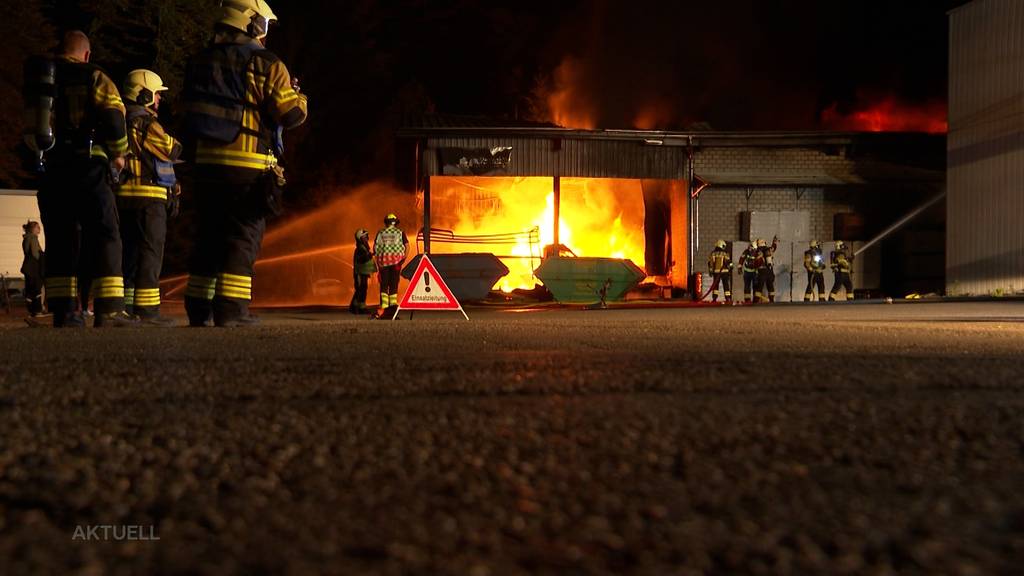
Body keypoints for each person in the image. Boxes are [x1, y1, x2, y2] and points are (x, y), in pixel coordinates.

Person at [182, 0, 308, 327]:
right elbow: (289, 114)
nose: (265, 35)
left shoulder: (199, 61)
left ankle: (199, 309)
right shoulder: (267, 63)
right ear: (252, 23)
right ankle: (232, 311)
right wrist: (300, 97)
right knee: (242, 237)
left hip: (205, 165)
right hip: (247, 167)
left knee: (208, 236)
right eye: (264, 26)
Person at [35, 31, 134, 328]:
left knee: (61, 237)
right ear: (87, 54)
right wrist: (119, 154)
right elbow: (114, 118)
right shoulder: (95, 76)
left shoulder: (43, 80)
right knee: (105, 232)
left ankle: (65, 312)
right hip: (89, 166)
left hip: (52, 168)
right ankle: (110, 309)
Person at [117, 69, 182, 326]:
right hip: (148, 197)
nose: (158, 100)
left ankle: (129, 307)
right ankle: (147, 311)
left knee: (129, 254)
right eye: (156, 95)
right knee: (150, 253)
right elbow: (172, 149)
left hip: (123, 197)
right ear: (143, 95)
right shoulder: (146, 123)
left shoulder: (118, 119)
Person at [373, 213, 408, 319]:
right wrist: (403, 259)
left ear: (386, 222)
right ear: (396, 222)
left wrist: (378, 263)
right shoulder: (400, 233)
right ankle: (392, 309)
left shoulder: (380, 233)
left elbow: (375, 248)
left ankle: (383, 308)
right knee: (393, 286)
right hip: (396, 264)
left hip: (383, 264)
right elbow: (407, 246)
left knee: (384, 286)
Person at [21, 221, 47, 317]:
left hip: (27, 268)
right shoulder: (33, 238)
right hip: (34, 268)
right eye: (37, 227)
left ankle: (32, 310)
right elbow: (35, 254)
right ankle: (38, 310)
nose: (39, 228)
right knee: (37, 288)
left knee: (30, 289)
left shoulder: (26, 238)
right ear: (33, 229)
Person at [349, 229, 375, 314]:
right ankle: (358, 307)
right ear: (360, 238)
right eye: (365, 237)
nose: (367, 238)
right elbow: (362, 259)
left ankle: (357, 307)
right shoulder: (360, 249)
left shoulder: (363, 248)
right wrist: (370, 255)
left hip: (363, 273)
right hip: (360, 273)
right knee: (360, 290)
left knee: (362, 289)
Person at [754, 236, 779, 303]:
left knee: (759, 287)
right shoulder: (769, 249)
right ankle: (772, 300)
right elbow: (774, 248)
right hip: (770, 271)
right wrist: (774, 242)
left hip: (762, 271)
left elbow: (756, 263)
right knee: (770, 286)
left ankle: (756, 301)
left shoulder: (758, 251)